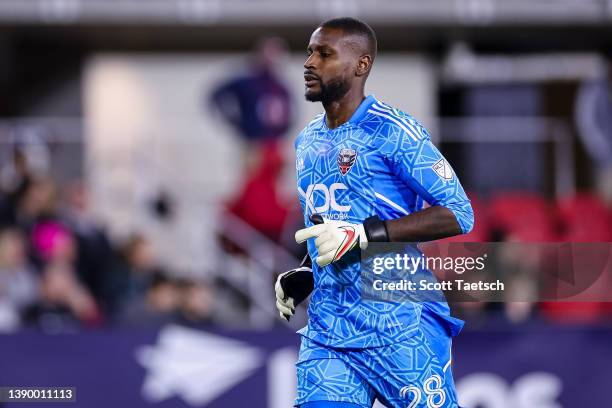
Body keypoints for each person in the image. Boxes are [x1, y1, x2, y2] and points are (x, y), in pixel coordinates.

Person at [274, 18, 474, 408]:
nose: (309, 62)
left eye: (324, 54)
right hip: (329, 331)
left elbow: (459, 213)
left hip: (399, 325)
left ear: (360, 65)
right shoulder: (307, 141)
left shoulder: (393, 131)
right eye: (310, 52)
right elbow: (330, 224)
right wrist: (307, 271)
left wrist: (363, 236)